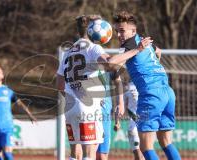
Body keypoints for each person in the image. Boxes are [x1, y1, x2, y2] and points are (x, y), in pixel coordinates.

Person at [56, 14, 151, 160]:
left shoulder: (67, 53)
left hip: (69, 107)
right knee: (90, 152)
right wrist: (136, 50)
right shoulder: (93, 48)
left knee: (75, 153)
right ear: (92, 30)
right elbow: (110, 64)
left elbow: (60, 85)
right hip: (87, 107)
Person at [113, 11, 181, 160]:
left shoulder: (130, 45)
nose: (119, 35)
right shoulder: (144, 40)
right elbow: (158, 51)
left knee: (146, 147)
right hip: (167, 92)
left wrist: (136, 50)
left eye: (122, 31)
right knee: (166, 142)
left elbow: (111, 62)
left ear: (133, 31)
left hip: (151, 95)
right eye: (116, 31)